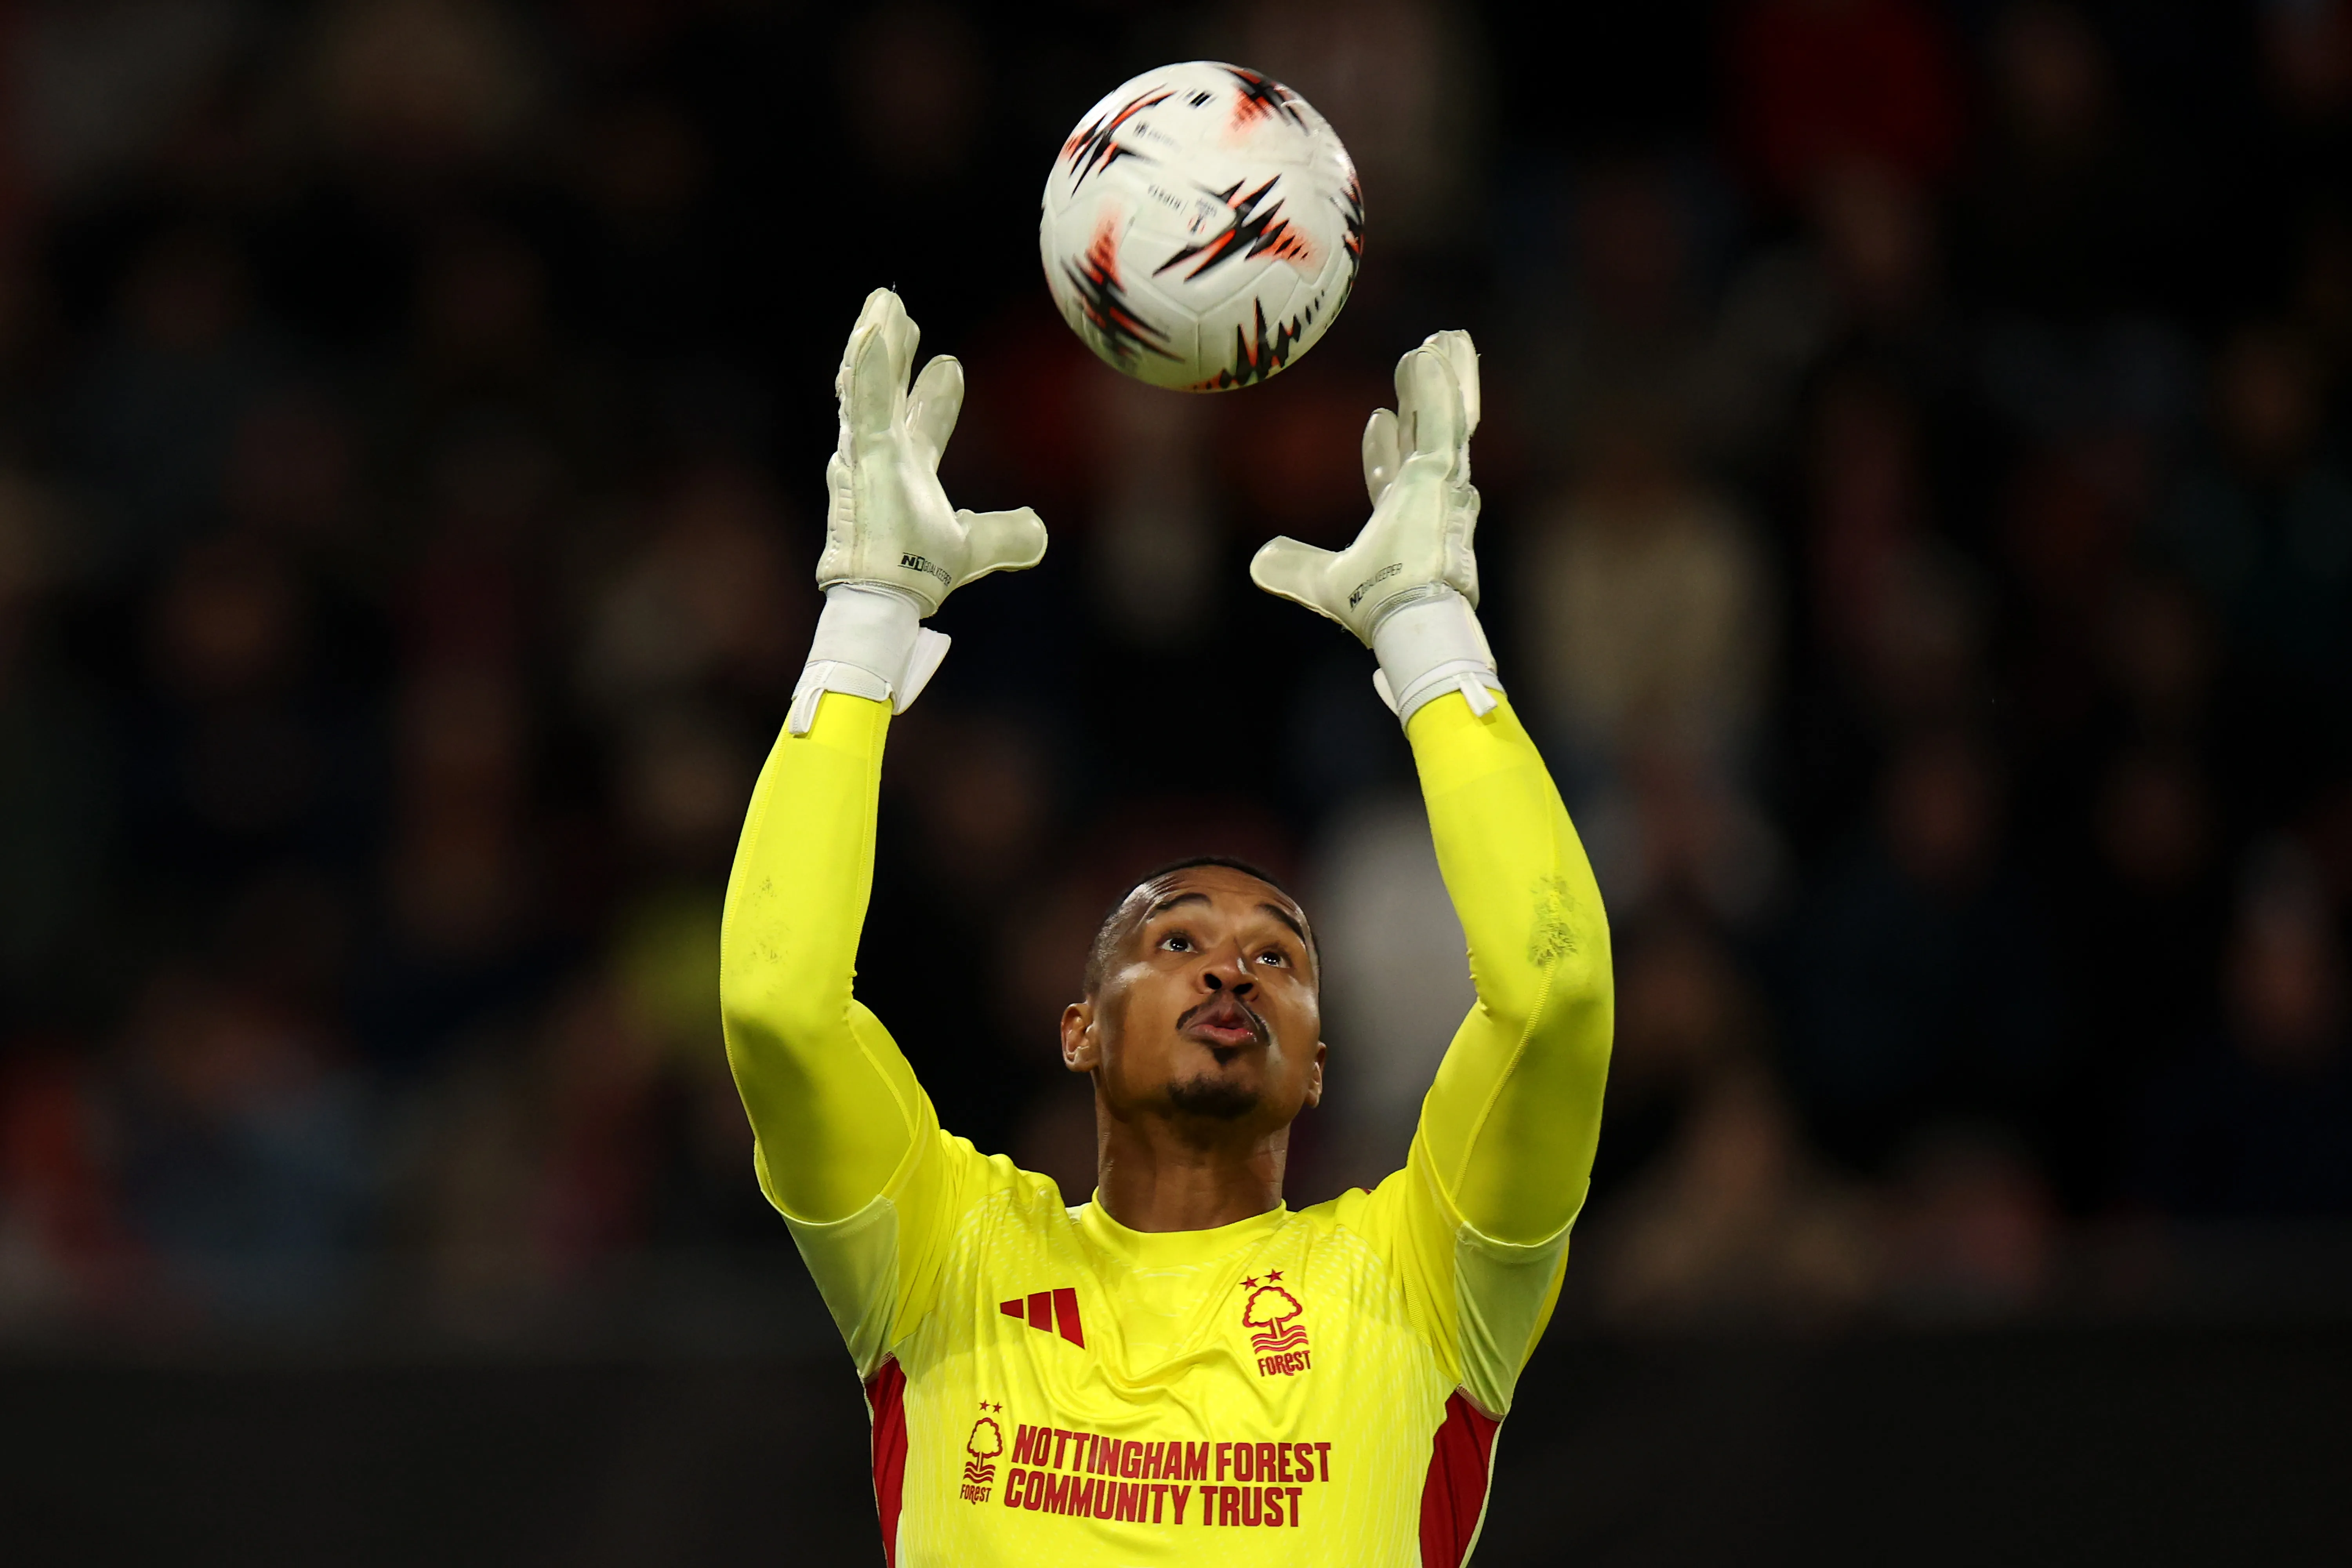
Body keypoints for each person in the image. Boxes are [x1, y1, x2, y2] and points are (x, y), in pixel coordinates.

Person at [720, 289, 1613, 1566]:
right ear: (1079, 1029)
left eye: (1279, 956)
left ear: (1317, 1063)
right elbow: (773, 1003)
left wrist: (1430, 632)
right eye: (1175, 937)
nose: (1231, 965)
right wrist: (868, 615)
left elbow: (1558, 993)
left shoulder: (1423, 1280)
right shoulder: (946, 1256)